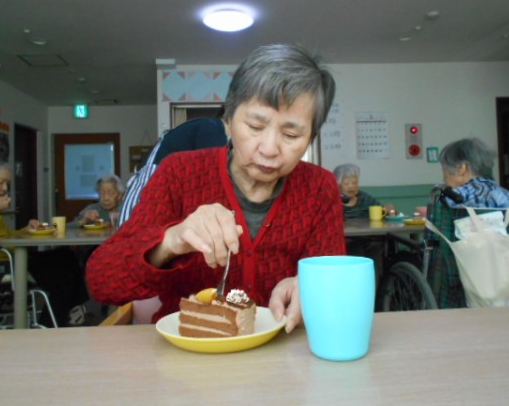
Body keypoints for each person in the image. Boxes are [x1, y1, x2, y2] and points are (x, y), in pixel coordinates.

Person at [87, 44, 346, 333]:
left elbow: (335, 286)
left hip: (284, 349)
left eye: (290, 134)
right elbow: (102, 281)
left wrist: (312, 286)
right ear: (228, 121)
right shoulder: (179, 173)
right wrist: (171, 241)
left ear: (310, 137)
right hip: (189, 349)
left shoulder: (320, 188)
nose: (270, 149)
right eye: (255, 127)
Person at [0, 155, 89, 327]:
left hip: (6, 257)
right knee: (63, 278)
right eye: (1, 183)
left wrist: (27, 230)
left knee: (65, 255)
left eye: (6, 184)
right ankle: (50, 326)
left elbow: (5, 236)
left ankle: (73, 306)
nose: (5, 189)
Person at [119, 109, 228, 225]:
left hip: (149, 191)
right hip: (149, 191)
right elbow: (217, 174)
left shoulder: (200, 127)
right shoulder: (213, 129)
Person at [439, 137, 509, 208]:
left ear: (461, 169)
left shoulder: (453, 197)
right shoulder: (507, 195)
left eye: (445, 170)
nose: (444, 179)